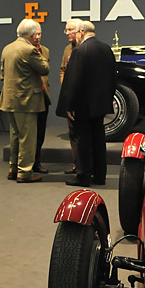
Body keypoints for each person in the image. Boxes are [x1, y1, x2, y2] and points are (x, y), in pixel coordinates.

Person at [56, 20, 117, 188]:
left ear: (81, 32)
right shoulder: (106, 49)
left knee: (83, 141)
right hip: (100, 106)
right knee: (98, 140)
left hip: (83, 106)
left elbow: (74, 82)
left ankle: (83, 176)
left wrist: (70, 106)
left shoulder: (79, 51)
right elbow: (113, 78)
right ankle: (99, 175)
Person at [0, 19, 49, 183]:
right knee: (28, 138)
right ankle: (25, 172)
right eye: (37, 34)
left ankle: (13, 168)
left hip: (10, 100)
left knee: (15, 136)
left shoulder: (7, 48)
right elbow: (44, 68)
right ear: (33, 35)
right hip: (27, 101)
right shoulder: (29, 50)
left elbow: (2, 75)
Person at [59, 18, 81, 174]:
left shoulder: (87, 48)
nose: (67, 33)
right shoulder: (67, 49)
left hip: (83, 100)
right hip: (70, 99)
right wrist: (66, 87)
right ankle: (76, 164)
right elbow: (62, 70)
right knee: (73, 134)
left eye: (70, 30)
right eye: (66, 30)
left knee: (84, 135)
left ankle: (86, 165)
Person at [32, 38, 51, 175]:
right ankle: (26, 163)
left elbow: (46, 71)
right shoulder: (25, 50)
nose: (37, 37)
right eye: (35, 34)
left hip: (43, 94)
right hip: (30, 97)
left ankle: (36, 162)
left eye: (39, 34)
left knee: (40, 132)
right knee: (29, 134)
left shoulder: (45, 50)